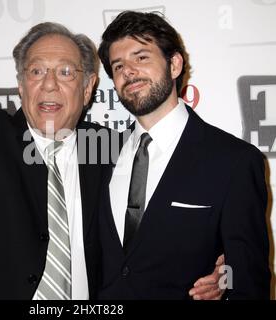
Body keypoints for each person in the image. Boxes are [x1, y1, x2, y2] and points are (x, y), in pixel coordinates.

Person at [0, 22, 223, 300]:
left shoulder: (114, 148)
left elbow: (164, 219)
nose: (50, 84)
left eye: (66, 72)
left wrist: (220, 266)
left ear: (87, 90)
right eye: (37, 71)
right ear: (21, 85)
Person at [97, 11, 271, 299]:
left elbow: (249, 280)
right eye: (118, 66)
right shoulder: (99, 155)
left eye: (141, 57)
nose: (128, 71)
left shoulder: (234, 161)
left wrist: (226, 282)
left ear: (174, 64)